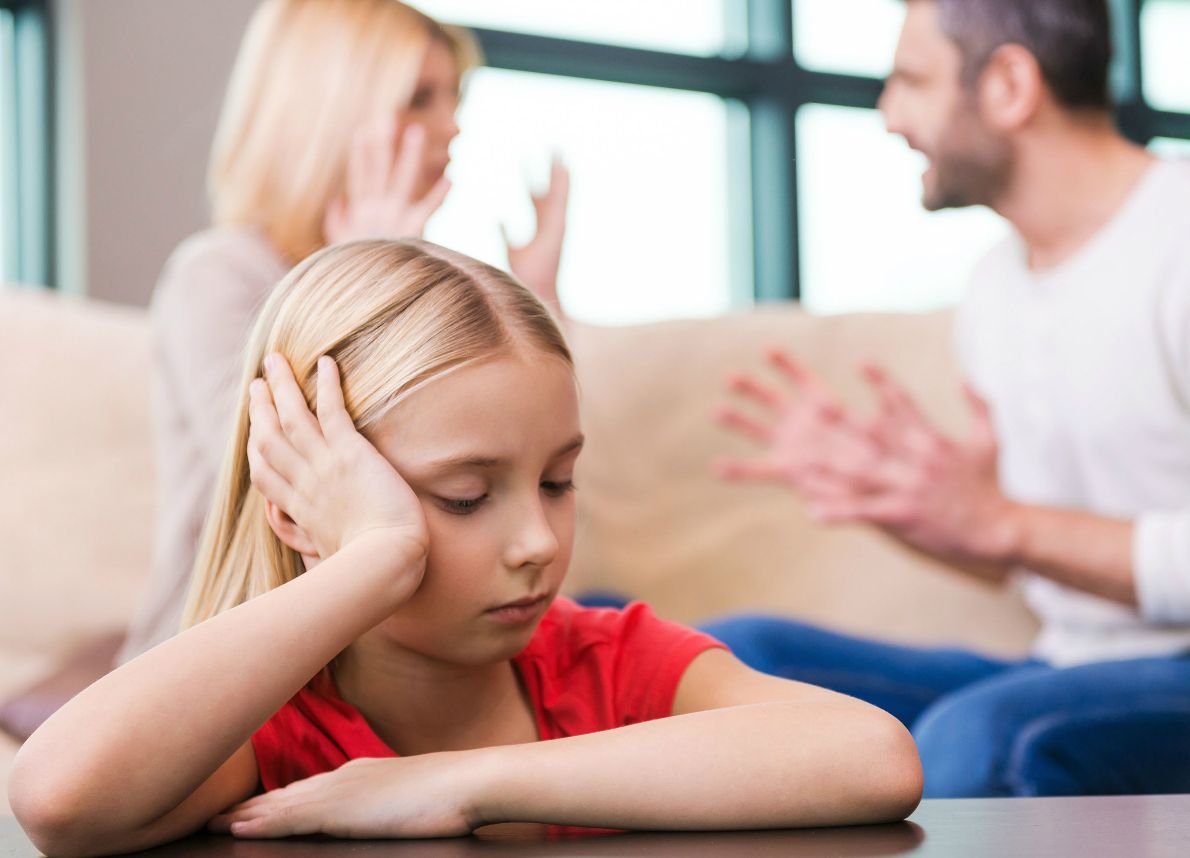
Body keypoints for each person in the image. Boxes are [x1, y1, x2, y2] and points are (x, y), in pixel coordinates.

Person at [7, 240, 922, 856]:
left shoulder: (605, 666)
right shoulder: (277, 732)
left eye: (558, 482)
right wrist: (376, 555)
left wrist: (458, 785)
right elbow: (57, 797)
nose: (536, 541)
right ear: (299, 510)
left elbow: (873, 756)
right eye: (464, 497)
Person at [710, 0, 1190, 798]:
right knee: (733, 656)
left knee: (979, 735)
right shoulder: (994, 286)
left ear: (1008, 83)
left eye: (911, 80)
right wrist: (907, 499)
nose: (889, 114)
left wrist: (1002, 521)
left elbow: (1018, 531)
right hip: (1069, 661)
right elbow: (1025, 556)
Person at [117, 0, 569, 665]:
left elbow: (540, 459)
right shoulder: (217, 275)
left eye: (455, 96)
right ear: (331, 112)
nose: (452, 124)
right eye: (420, 98)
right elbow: (286, 484)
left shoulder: (447, 291)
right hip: (226, 661)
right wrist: (365, 282)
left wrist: (542, 302)